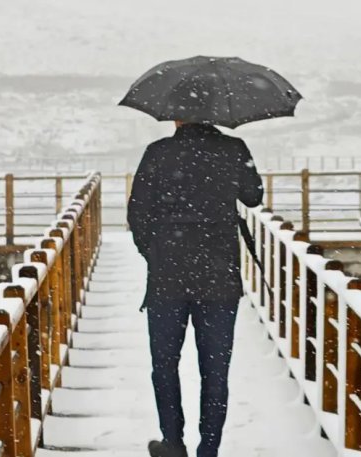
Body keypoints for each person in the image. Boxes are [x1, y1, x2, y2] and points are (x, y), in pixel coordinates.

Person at [127, 119, 264, 457]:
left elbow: (137, 215)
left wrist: (157, 254)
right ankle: (210, 449)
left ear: (175, 116)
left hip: (167, 279)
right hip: (219, 278)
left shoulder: (158, 153)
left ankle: (173, 442)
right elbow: (253, 197)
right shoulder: (234, 149)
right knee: (215, 370)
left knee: (164, 364)